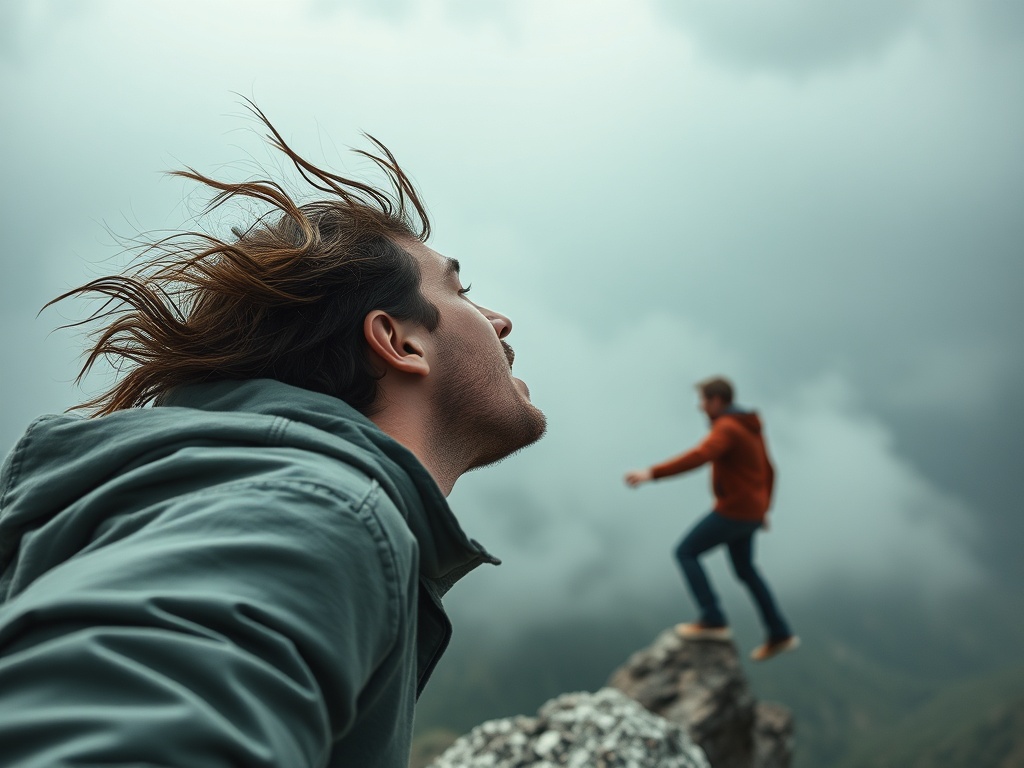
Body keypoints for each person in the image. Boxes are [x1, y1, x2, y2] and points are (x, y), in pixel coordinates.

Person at [0, 103, 546, 767]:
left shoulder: (232, 496)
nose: (500, 320)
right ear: (399, 341)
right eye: (461, 291)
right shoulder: (314, 510)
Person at [624, 376, 797, 662]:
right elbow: (770, 470)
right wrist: (763, 509)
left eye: (703, 400)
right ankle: (779, 632)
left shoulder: (728, 427)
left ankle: (712, 618)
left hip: (735, 510)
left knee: (686, 551)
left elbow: (701, 455)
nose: (700, 407)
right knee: (746, 570)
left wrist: (652, 473)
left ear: (716, 401)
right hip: (751, 511)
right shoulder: (748, 425)